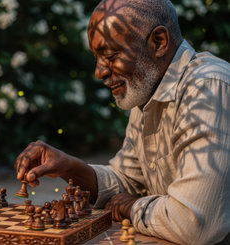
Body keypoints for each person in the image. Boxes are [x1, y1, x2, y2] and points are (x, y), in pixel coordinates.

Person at [14, 0, 230, 244]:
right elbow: (128, 182)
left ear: (158, 42)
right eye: (97, 58)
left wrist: (133, 207)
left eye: (111, 55)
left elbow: (194, 224)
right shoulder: (149, 90)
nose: (99, 72)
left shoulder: (207, 89)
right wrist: (69, 167)